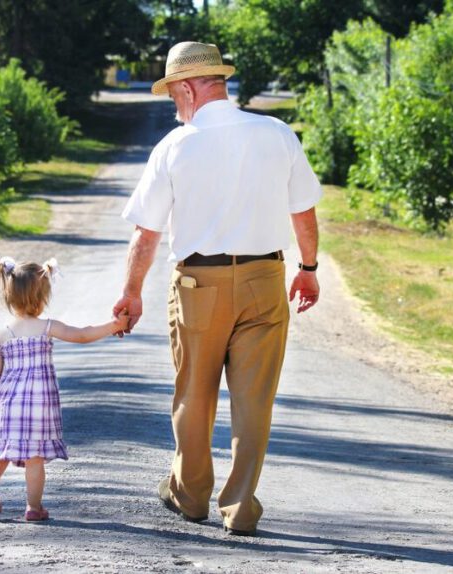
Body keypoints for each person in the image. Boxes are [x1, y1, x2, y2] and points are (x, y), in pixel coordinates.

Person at [113, 41, 322, 536]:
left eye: (173, 94)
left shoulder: (175, 146)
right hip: (265, 279)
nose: (174, 105)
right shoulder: (277, 133)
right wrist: (308, 268)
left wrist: (132, 292)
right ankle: (240, 507)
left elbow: (146, 233)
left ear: (187, 88)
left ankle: (190, 496)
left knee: (194, 391)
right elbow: (303, 211)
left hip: (197, 284)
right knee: (255, 400)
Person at [0, 256, 128, 521]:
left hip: (7, 404)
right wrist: (114, 325)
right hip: (38, 405)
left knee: (2, 448)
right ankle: (33, 508)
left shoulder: (4, 334)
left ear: (10, 297)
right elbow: (82, 334)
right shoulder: (47, 327)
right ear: (43, 297)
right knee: (34, 458)